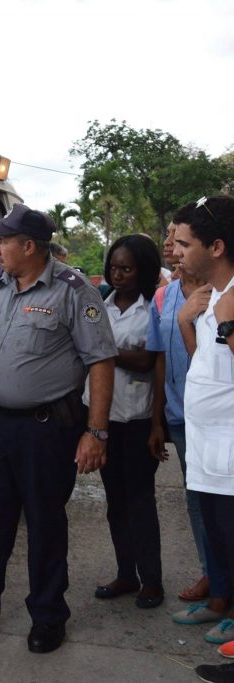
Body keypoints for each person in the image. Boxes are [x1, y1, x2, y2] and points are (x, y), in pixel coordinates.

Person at [0, 204, 117, 654]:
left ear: (29, 246)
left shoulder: (73, 290)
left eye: (3, 241)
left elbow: (100, 361)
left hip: (45, 429)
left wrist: (95, 432)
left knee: (44, 524)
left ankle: (47, 616)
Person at [168, 197, 234, 683]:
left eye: (184, 243)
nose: (175, 250)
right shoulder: (210, 296)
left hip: (231, 450)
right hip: (209, 447)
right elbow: (205, 369)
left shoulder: (231, 299)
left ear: (216, 246)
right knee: (219, 537)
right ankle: (224, 605)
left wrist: (225, 319)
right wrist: (187, 321)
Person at [85, 234, 164, 608]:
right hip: (104, 420)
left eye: (127, 269)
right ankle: (125, 574)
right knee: (115, 502)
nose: (118, 275)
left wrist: (105, 352)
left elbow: (148, 360)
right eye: (113, 268)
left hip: (136, 419)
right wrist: (118, 354)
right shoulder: (101, 305)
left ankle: (152, 580)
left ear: (143, 270)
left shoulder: (153, 310)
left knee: (140, 502)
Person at [149, 219, 223, 613]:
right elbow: (161, 360)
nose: (174, 249)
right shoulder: (165, 297)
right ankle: (213, 575)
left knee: (222, 504)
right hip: (181, 415)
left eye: (182, 242)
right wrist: (158, 419)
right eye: (171, 241)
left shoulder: (223, 296)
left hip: (220, 423)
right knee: (198, 501)